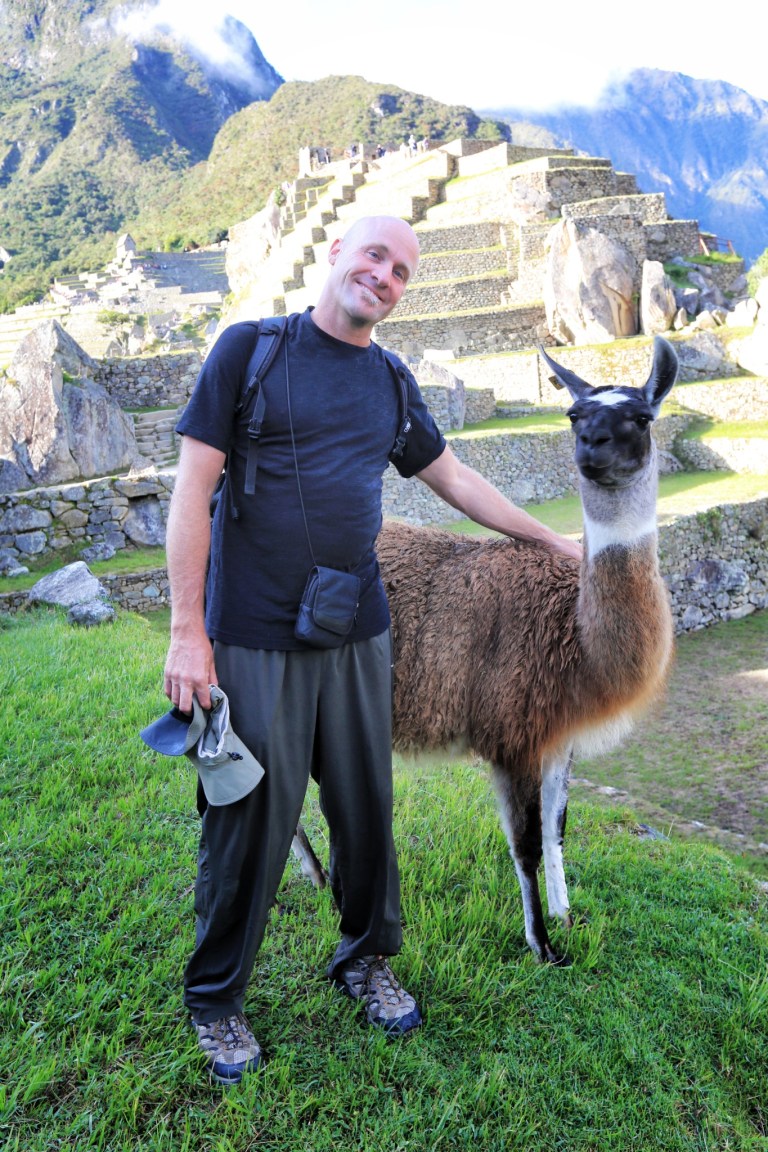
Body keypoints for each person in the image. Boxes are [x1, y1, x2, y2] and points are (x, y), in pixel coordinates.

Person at [163, 214, 581, 1085]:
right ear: (336, 255)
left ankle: (365, 958)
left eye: (401, 272)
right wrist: (186, 634)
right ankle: (216, 999)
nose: (385, 277)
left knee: (366, 812)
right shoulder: (251, 353)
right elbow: (192, 489)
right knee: (249, 819)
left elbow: (453, 477)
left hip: (357, 629)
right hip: (254, 632)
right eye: (374, 257)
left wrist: (549, 540)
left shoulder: (389, 380)